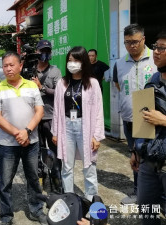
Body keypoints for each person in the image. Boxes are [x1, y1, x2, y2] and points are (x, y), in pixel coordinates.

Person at [0, 52, 47, 225]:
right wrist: (19, 133)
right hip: (8, 144)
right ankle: (6, 216)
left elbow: (40, 111)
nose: (8, 68)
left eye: (11, 65)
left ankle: (37, 208)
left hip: (31, 142)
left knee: (32, 178)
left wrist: (27, 131)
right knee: (6, 181)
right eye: (5, 65)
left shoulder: (31, 85)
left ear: (20, 66)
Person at [51, 46, 105, 202]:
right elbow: (57, 109)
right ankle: (70, 199)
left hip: (85, 127)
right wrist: (55, 132)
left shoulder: (92, 83)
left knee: (89, 167)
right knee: (66, 167)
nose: (72, 63)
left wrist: (96, 135)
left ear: (84, 62)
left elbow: (99, 111)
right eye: (69, 60)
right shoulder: (62, 83)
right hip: (66, 126)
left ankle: (90, 200)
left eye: (76, 60)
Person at [113, 24, 157, 204]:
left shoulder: (156, 59)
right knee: (136, 157)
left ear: (144, 39)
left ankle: (158, 195)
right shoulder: (120, 64)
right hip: (131, 119)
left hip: (154, 119)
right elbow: (118, 85)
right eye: (127, 42)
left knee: (156, 158)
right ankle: (139, 193)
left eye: (135, 41)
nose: (131, 46)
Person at [136, 30, 166, 225]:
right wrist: (135, 150)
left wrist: (164, 120)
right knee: (146, 209)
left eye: (162, 48)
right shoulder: (153, 79)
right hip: (150, 160)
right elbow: (144, 119)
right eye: (155, 46)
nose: (156, 51)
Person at [31, 40, 62, 191]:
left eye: (47, 51)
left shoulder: (55, 71)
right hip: (34, 118)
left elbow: (60, 93)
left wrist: (41, 87)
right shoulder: (30, 70)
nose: (44, 54)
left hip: (51, 117)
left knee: (54, 151)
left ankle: (56, 180)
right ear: (36, 52)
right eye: (42, 50)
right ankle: (40, 180)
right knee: (37, 150)